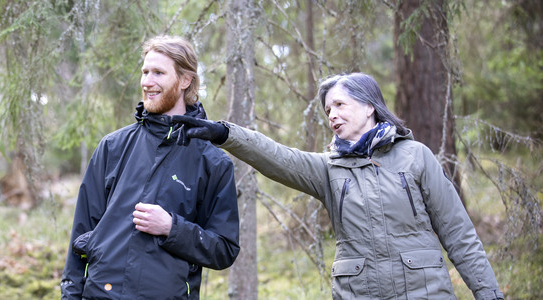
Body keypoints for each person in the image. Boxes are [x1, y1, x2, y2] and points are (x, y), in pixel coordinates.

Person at [173, 72, 504, 299]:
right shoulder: (328, 169)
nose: (332, 115)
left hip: (424, 291)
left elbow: (459, 234)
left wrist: (487, 293)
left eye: (340, 105)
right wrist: (224, 133)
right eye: (328, 109)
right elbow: (277, 156)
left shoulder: (416, 157)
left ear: (370, 106)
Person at [60, 35, 240, 299]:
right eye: (145, 72)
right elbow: (82, 231)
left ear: (185, 80)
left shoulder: (212, 162)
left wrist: (172, 228)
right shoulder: (113, 146)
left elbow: (224, 249)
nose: (147, 82)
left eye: (158, 72)